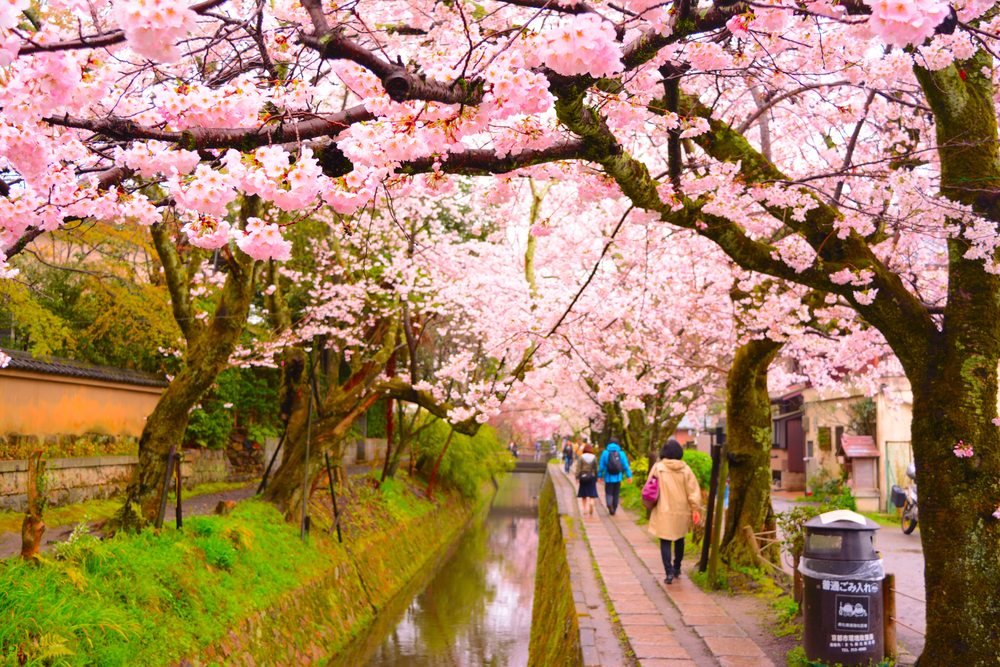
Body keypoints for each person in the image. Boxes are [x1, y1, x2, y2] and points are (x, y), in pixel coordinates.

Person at [646, 439, 702, 585]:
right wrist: (695, 509)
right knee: (679, 538)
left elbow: (650, 486)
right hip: (681, 510)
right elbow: (693, 492)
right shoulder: (686, 469)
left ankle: (668, 572)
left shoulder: (658, 467)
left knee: (665, 540)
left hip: (663, 509)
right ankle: (677, 567)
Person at [598, 438, 632, 516]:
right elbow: (626, 465)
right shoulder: (621, 453)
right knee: (616, 493)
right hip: (618, 477)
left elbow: (601, 465)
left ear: (609, 443)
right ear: (618, 444)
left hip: (608, 477)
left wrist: (600, 475)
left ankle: (609, 504)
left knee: (609, 492)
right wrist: (629, 476)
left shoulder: (605, 453)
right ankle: (614, 508)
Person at [571, 444, 600, 515]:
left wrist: (577, 477)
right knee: (592, 493)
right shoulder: (594, 457)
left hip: (583, 477)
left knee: (584, 494)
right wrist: (596, 477)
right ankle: (591, 502)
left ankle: (585, 509)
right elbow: (596, 468)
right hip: (591, 476)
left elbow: (578, 468)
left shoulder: (581, 457)